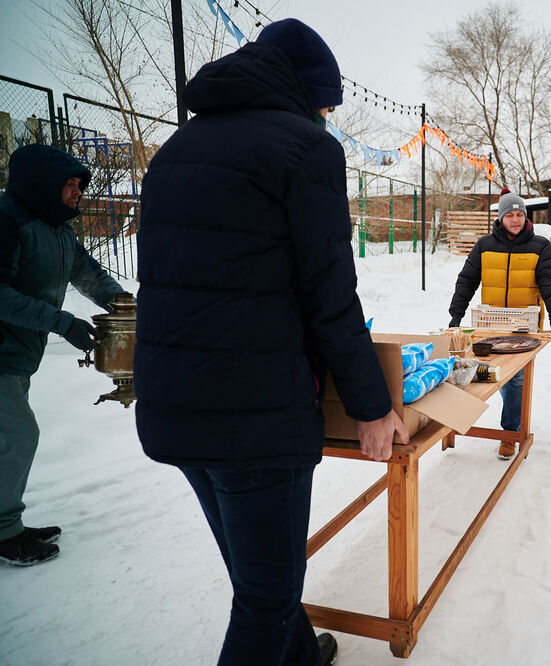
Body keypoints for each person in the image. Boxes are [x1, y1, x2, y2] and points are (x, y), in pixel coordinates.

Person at [134, 18, 407, 666]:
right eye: (325, 104)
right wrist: (371, 407)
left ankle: (303, 658)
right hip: (254, 419)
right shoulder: (303, 149)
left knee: (263, 586)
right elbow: (329, 299)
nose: (326, 117)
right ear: (303, 92)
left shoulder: (177, 149)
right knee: (265, 600)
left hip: (174, 410)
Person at [0, 143, 128, 566]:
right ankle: (5, 532)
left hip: (17, 352)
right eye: (69, 184)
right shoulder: (7, 220)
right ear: (41, 185)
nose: (77, 192)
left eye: (79, 184)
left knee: (10, 438)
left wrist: (125, 306)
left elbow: (87, 274)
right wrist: (63, 322)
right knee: (19, 436)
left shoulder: (57, 229)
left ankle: (8, 524)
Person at [448, 188, 551, 460]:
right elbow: (467, 280)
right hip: (490, 324)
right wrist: (456, 312)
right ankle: (457, 418)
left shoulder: (540, 246)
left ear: (526, 217)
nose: (515, 220)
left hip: (524, 326)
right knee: (481, 372)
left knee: (515, 380)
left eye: (519, 214)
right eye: (509, 215)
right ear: (500, 218)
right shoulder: (484, 245)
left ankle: (509, 433)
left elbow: (550, 282)